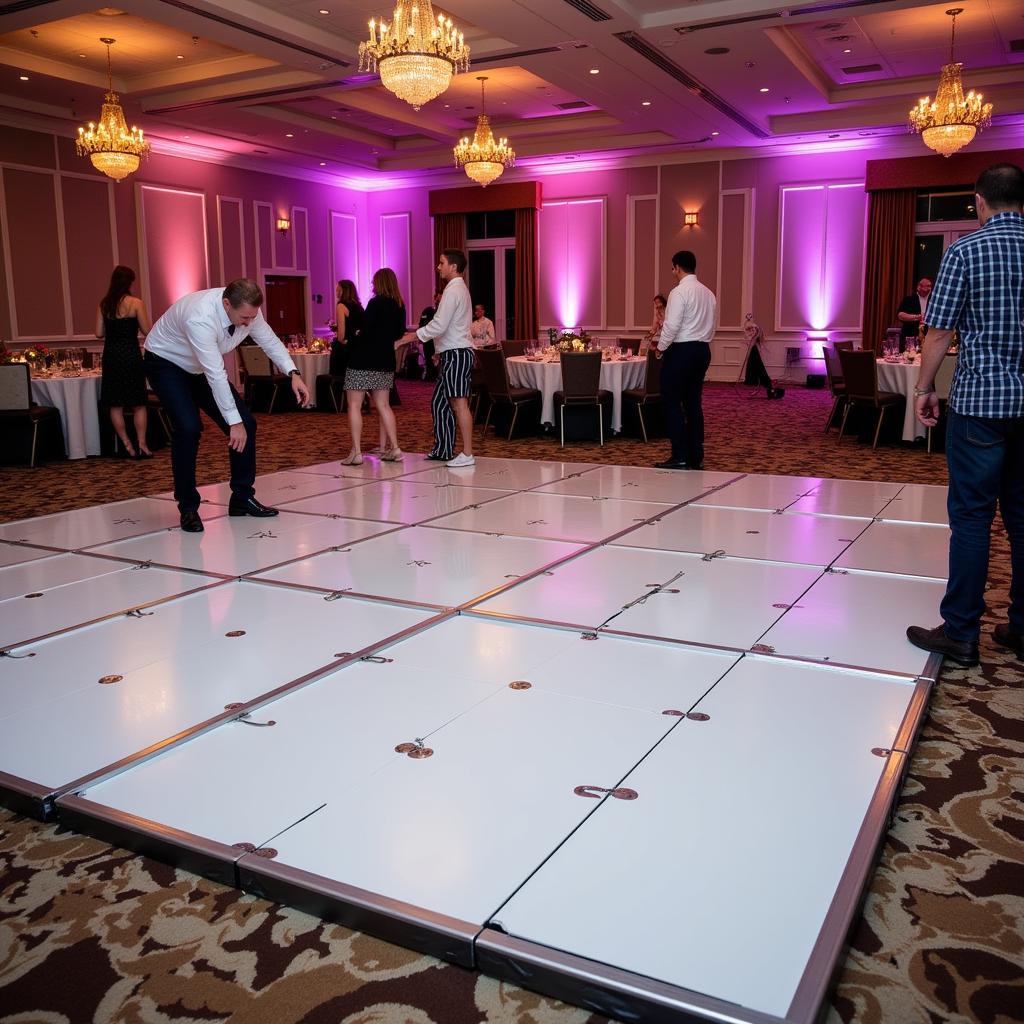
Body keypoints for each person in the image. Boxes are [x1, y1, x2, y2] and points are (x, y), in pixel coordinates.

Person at [907, 163, 1024, 667]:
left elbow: (937, 332)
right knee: (1022, 519)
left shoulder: (966, 250)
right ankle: (1022, 628)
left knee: (973, 518)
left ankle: (961, 633)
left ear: (979, 201)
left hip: (981, 405)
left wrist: (924, 387)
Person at [143, 278, 310, 533]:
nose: (249, 323)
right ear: (226, 304)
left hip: (198, 367)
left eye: (252, 317)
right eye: (244, 317)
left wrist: (293, 373)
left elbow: (269, 340)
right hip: (166, 363)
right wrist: (233, 422)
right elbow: (216, 374)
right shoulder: (200, 316)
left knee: (249, 424)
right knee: (188, 428)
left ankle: (241, 498)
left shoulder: (249, 310)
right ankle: (188, 507)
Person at [654, 251, 717, 470]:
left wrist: (660, 348)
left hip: (681, 351)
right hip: (702, 351)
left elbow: (672, 326)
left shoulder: (679, 292)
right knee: (693, 403)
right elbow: (712, 326)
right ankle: (695, 455)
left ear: (678, 267)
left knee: (671, 402)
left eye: (673, 268)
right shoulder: (709, 294)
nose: (673, 272)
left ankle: (680, 454)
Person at [416, 250, 475, 467]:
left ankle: (467, 454)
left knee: (459, 404)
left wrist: (411, 336)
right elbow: (451, 326)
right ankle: (443, 449)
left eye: (441, 263)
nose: (438, 267)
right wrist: (439, 351)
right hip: (452, 353)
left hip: (458, 354)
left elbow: (440, 324)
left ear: (453, 267)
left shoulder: (453, 291)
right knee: (439, 403)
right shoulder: (456, 289)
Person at [341, 268, 405, 465]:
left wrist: (353, 336)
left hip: (363, 360)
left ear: (379, 283)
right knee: (384, 406)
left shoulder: (375, 303)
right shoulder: (400, 305)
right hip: (385, 360)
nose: (372, 285)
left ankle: (357, 452)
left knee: (354, 405)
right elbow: (399, 333)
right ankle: (395, 448)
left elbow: (365, 331)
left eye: (373, 282)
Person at [95, 265, 153, 458]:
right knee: (138, 403)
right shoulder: (136, 303)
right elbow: (147, 331)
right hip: (130, 355)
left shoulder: (104, 305)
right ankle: (142, 444)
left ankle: (127, 444)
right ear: (130, 282)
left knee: (115, 405)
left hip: (111, 356)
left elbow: (98, 333)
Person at [742, 317, 784, 400]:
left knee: (759, 369)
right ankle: (765, 385)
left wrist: (749, 328)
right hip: (753, 353)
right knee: (757, 369)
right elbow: (746, 336)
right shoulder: (753, 336)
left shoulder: (756, 335)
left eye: (752, 330)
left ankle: (769, 387)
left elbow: (751, 336)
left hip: (754, 353)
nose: (751, 331)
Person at [329, 279, 364, 380]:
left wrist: (343, 341)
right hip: (359, 348)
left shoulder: (341, 305)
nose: (336, 293)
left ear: (343, 291)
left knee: (339, 380)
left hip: (346, 350)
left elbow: (341, 336)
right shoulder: (359, 306)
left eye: (338, 290)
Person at [897, 277, 933, 345]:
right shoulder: (909, 299)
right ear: (918, 287)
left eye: (929, 286)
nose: (927, 289)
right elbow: (900, 315)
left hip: (930, 337)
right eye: (925, 286)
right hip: (910, 336)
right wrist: (916, 317)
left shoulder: (934, 301)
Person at [418, 289, 442, 380]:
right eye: (438, 299)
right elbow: (422, 324)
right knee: (428, 359)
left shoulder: (443, 312)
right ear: (435, 298)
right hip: (428, 340)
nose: (439, 302)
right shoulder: (428, 311)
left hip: (439, 341)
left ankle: (438, 376)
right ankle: (429, 376)